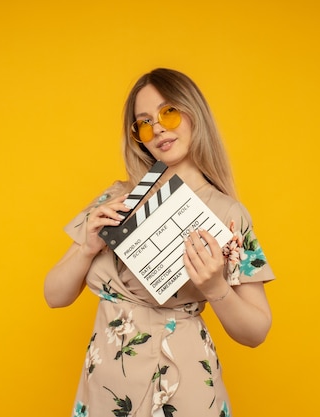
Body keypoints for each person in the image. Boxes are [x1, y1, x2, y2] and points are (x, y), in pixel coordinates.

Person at [44, 68, 275, 417]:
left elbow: (256, 331)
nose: (159, 128)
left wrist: (215, 287)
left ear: (193, 112)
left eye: (169, 112)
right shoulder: (118, 198)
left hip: (185, 384)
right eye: (145, 122)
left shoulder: (228, 214)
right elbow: (54, 296)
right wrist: (87, 247)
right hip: (108, 385)